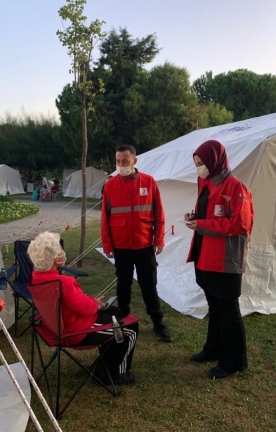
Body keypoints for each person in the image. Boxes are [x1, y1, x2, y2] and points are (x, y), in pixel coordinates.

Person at [27, 231, 138, 385]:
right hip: (75, 332)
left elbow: (75, 303)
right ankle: (115, 374)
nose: (63, 252)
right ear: (54, 258)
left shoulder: (35, 278)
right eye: (60, 250)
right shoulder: (63, 282)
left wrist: (93, 303)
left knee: (116, 312)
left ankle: (105, 364)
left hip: (55, 326)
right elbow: (85, 309)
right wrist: (95, 304)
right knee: (129, 327)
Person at [184, 139, 254, 379]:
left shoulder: (235, 187)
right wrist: (195, 216)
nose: (198, 168)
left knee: (228, 310)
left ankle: (233, 362)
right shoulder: (204, 182)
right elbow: (208, 211)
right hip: (205, 256)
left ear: (215, 160)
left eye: (201, 163)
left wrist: (201, 224)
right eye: (196, 163)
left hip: (225, 260)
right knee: (214, 307)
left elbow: (240, 223)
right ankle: (212, 349)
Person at [101, 144, 172, 342]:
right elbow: (105, 219)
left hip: (144, 245)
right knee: (123, 286)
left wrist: (158, 238)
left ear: (134, 160)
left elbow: (159, 213)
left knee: (149, 286)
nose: (121, 165)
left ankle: (158, 323)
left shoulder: (149, 182)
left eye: (125, 161)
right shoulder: (110, 185)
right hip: (121, 247)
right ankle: (124, 322)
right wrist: (107, 245)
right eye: (118, 162)